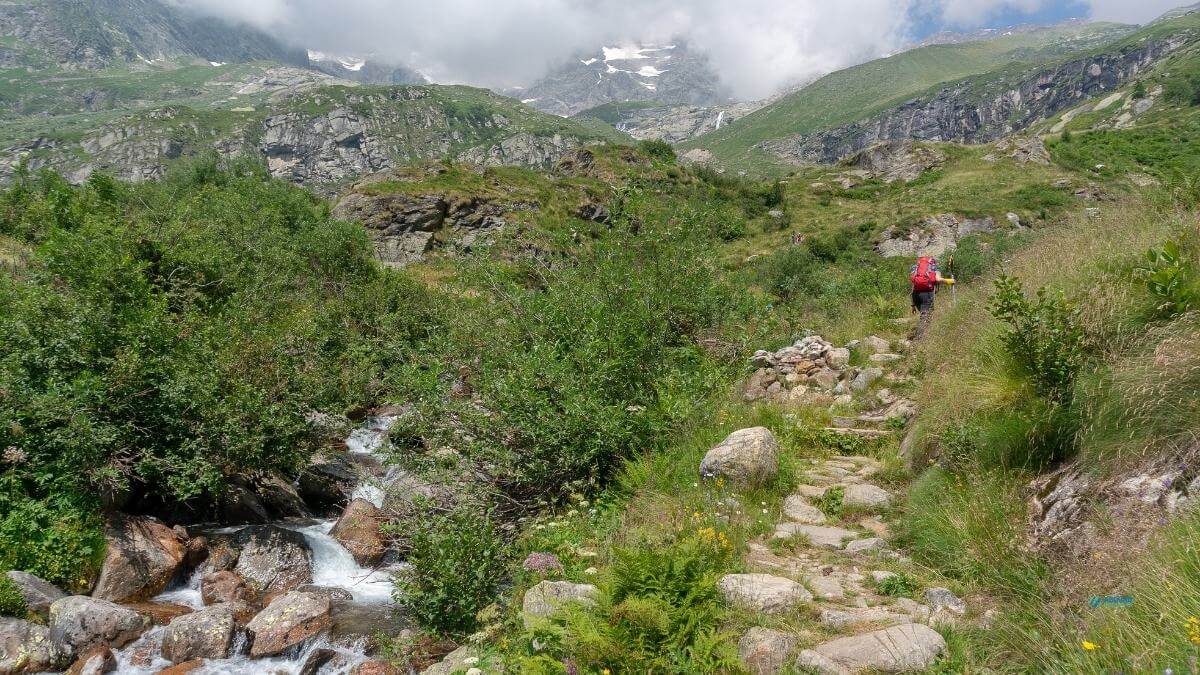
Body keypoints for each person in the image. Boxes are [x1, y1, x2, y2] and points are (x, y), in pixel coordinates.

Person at [910, 256, 955, 338]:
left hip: (915, 295)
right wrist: (949, 281)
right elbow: (938, 279)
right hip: (927, 294)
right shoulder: (934, 268)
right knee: (926, 316)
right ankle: (920, 338)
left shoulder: (915, 268)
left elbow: (912, 286)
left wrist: (913, 305)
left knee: (924, 315)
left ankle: (923, 334)